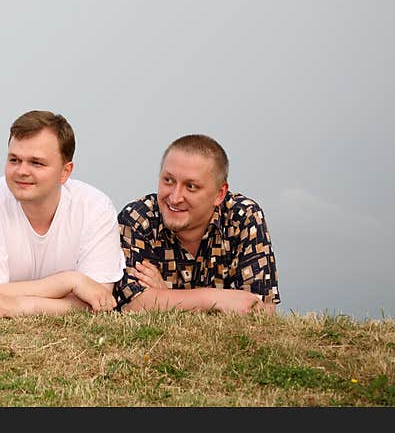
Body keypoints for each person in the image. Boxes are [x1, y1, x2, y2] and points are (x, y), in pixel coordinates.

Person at [0, 111, 125, 317]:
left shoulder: (96, 207)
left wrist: (22, 306)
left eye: (36, 163)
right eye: (14, 160)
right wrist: (70, 281)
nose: (22, 171)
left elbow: (99, 300)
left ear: (65, 172)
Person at [114, 134, 280, 314]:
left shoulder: (243, 217)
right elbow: (133, 305)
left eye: (191, 186)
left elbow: (259, 310)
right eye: (168, 181)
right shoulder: (138, 218)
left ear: (219, 194)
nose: (175, 198)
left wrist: (164, 297)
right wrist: (216, 299)